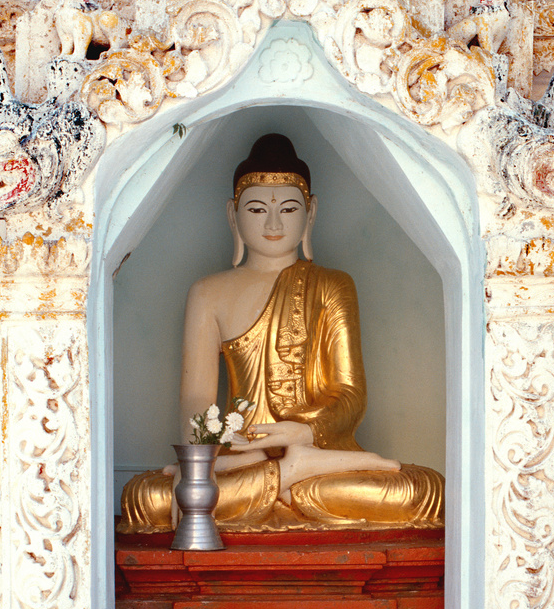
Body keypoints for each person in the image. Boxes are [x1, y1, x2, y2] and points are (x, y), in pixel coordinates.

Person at [118, 133, 444, 532]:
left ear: (311, 214)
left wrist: (304, 431)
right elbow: (197, 399)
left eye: (288, 209)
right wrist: (202, 460)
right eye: (256, 210)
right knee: (144, 498)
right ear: (232, 216)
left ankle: (294, 470)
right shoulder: (208, 293)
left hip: (319, 454)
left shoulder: (332, 284)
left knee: (423, 492)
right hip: (243, 457)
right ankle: (287, 475)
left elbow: (350, 395)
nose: (273, 223)